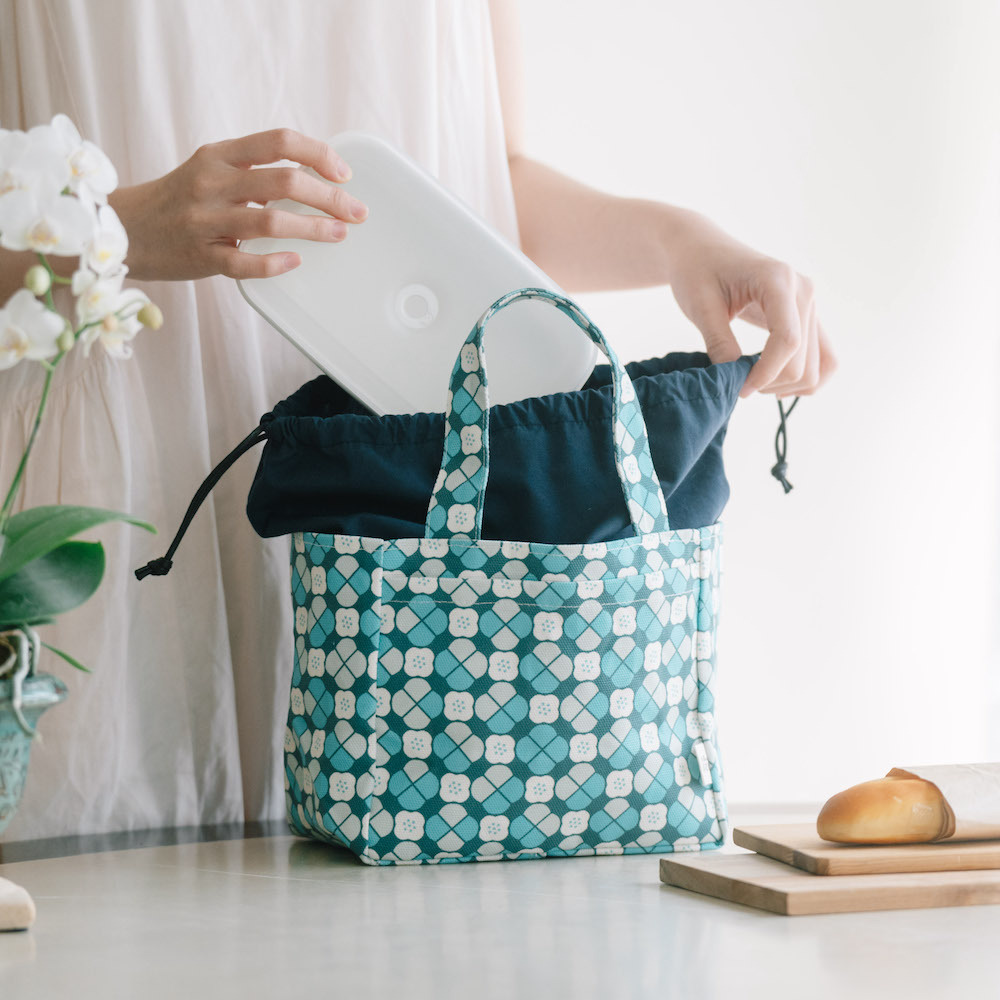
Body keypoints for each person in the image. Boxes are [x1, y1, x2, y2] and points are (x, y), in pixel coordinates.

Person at [0, 0, 834, 841]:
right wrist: (117, 226)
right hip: (124, 481)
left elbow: (485, 186)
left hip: (416, 520)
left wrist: (682, 242)